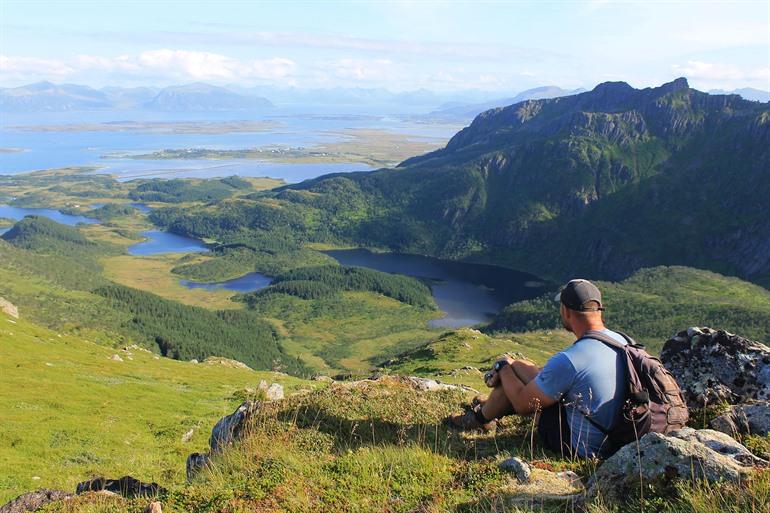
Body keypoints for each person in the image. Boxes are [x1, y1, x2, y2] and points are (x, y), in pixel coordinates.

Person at [448, 279, 629, 459]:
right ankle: (488, 408)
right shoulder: (624, 341)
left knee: (512, 384)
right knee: (518, 369)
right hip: (622, 438)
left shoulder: (571, 359)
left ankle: (480, 419)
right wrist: (511, 363)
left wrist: (502, 368)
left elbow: (522, 404)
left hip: (584, 447)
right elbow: (553, 375)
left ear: (565, 311)